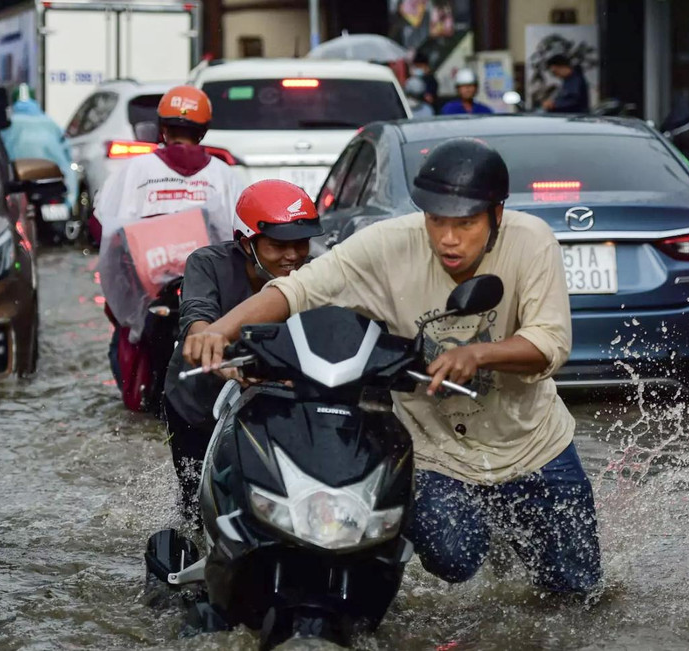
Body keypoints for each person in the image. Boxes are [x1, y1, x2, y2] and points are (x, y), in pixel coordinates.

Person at [185, 138, 602, 594]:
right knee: (454, 561)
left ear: (496, 215)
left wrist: (478, 353)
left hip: (535, 445)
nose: (447, 238)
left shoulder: (531, 241)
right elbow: (297, 290)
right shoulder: (388, 245)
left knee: (577, 595)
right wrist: (217, 331)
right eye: (436, 221)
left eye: (464, 224)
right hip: (436, 453)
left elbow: (550, 343)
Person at [162, 179, 321, 522]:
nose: (292, 256)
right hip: (197, 404)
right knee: (198, 507)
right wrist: (210, 348)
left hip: (279, 403)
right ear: (246, 244)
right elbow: (197, 319)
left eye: (301, 243)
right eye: (278, 246)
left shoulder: (319, 270)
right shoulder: (206, 264)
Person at [94, 84, 243, 392]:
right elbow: (240, 234)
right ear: (203, 131)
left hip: (148, 291)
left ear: (161, 128)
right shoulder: (224, 175)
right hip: (207, 292)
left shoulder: (134, 170)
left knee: (126, 337)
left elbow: (102, 227)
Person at [0, 83, 77, 210]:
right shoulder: (51, 123)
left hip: (19, 185)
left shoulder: (8, 126)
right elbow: (67, 156)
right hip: (53, 184)